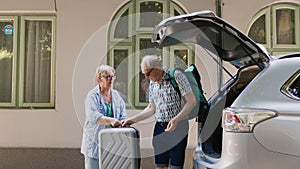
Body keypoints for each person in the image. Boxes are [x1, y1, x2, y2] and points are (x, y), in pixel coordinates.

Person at [122, 55, 197, 169]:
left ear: (157, 69)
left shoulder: (176, 76)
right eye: (144, 74)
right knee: (160, 166)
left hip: (178, 127)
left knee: (175, 166)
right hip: (160, 128)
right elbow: (151, 108)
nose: (147, 77)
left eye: (147, 74)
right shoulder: (152, 83)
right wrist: (133, 120)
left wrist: (176, 119)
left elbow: (191, 102)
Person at [81, 65, 127, 169]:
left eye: (112, 77)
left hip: (112, 144)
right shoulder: (92, 96)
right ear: (99, 78)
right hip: (94, 143)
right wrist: (112, 120)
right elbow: (94, 117)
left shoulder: (116, 96)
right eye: (107, 77)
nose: (111, 80)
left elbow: (123, 116)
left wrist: (123, 121)